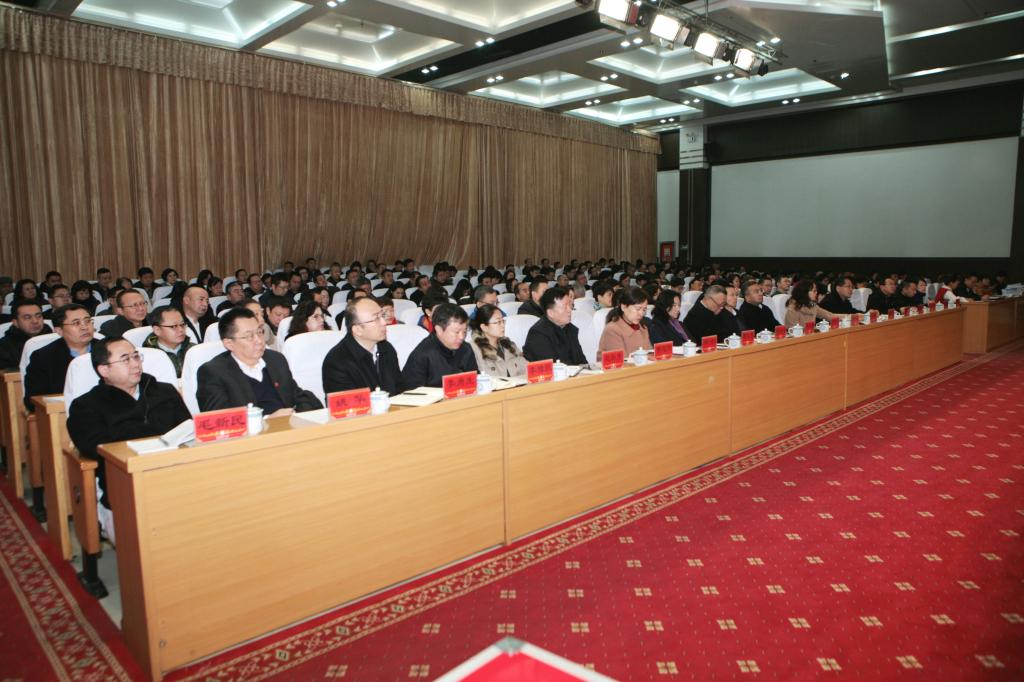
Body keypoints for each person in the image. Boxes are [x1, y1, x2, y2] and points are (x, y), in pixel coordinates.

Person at [67, 338, 191, 543]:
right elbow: (96, 448)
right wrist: (154, 434)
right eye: (125, 359)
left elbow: (188, 431)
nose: (135, 364)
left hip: (176, 477)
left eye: (136, 357)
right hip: (125, 487)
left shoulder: (165, 391)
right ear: (104, 370)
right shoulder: (87, 406)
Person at [196, 308, 321, 414]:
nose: (259, 340)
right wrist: (266, 422)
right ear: (229, 343)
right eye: (249, 336)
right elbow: (219, 421)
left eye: (260, 332)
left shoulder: (276, 359)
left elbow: (297, 395)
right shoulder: (213, 373)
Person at [322, 297, 402, 395]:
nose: (384, 322)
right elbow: (347, 403)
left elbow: (399, 388)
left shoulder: (386, 348)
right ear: (357, 330)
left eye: (382, 315)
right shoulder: (336, 362)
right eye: (376, 318)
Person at [24, 304, 94, 411]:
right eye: (76, 323)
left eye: (87, 321)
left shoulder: (109, 349)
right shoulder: (43, 358)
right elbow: (33, 401)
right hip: (63, 414)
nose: (84, 327)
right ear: (59, 331)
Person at [400, 303, 477, 389]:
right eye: (457, 332)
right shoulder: (422, 355)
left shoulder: (466, 349)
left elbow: (474, 381)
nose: (462, 337)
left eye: (465, 331)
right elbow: (412, 393)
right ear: (439, 329)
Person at [523, 286, 587, 365]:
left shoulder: (570, 328)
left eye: (570, 305)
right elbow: (553, 367)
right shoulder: (538, 334)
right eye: (565, 306)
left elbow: (581, 361)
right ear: (550, 313)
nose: (570, 310)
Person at [469, 304, 528, 378]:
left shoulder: (509, 344)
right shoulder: (474, 350)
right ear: (484, 327)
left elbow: (527, 368)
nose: (503, 325)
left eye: (503, 321)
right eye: (498, 322)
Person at [598, 287, 651, 356]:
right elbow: (621, 360)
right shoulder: (612, 330)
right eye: (638, 309)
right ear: (623, 307)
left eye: (644, 310)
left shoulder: (642, 327)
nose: (641, 313)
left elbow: (650, 354)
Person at [0, 300, 52, 369]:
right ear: (15, 322)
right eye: (27, 317)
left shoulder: (54, 338)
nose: (35, 321)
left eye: (38, 316)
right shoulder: (4, 347)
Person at [142, 306, 192, 376]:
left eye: (182, 324)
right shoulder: (147, 357)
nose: (181, 329)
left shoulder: (193, 349)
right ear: (157, 330)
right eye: (173, 326)